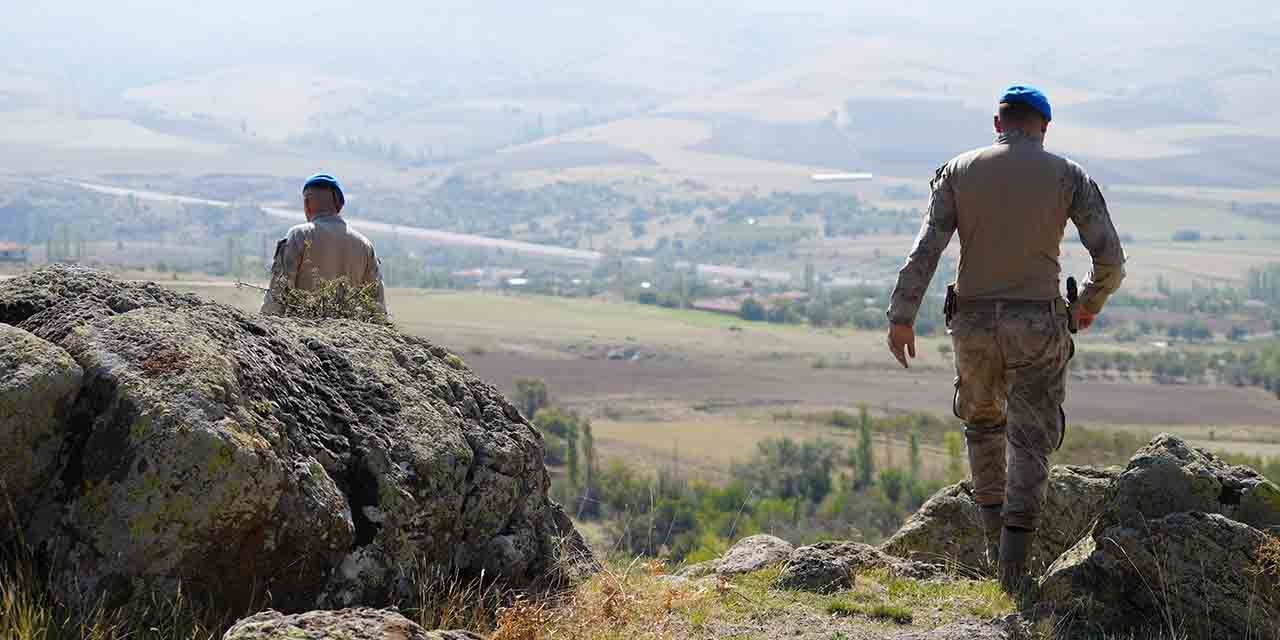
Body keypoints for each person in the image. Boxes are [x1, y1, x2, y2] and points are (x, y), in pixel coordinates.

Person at [884, 85, 1126, 593]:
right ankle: (1014, 571)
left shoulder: (958, 171)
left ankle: (994, 547)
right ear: (1044, 126)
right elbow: (1111, 261)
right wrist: (1086, 306)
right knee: (1031, 439)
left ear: (998, 124)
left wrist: (902, 315)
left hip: (971, 323)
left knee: (983, 426)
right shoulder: (1068, 175)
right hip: (1037, 323)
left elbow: (927, 248)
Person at [261, 174, 388, 317]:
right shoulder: (365, 245)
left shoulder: (299, 235)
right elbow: (377, 306)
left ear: (307, 204)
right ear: (339, 206)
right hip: (348, 334)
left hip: (302, 331)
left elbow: (277, 294)